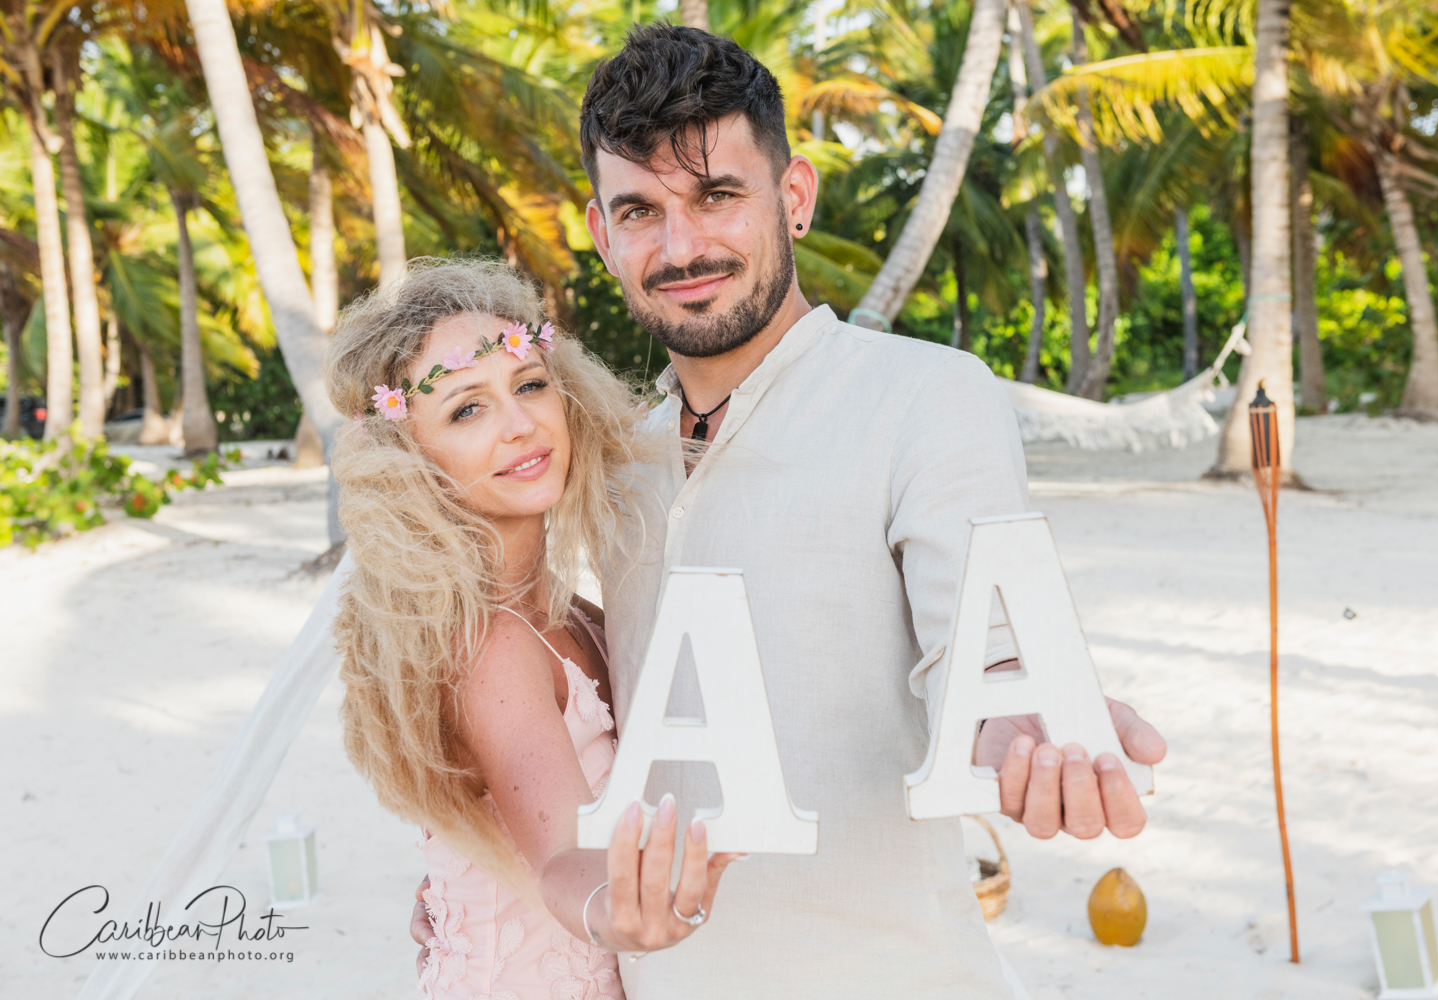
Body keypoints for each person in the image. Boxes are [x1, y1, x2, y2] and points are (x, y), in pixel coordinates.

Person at [413, 23, 1167, 998]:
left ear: (795, 198)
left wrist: (1021, 727)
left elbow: (981, 654)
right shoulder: (612, 460)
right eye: (640, 211)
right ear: (601, 234)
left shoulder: (924, 396)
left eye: (717, 196)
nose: (681, 246)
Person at [329, 259, 740, 1000]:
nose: (521, 424)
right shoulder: (492, 643)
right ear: (408, 462)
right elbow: (560, 859)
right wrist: (617, 910)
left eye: (528, 385)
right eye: (466, 410)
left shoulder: (570, 612)